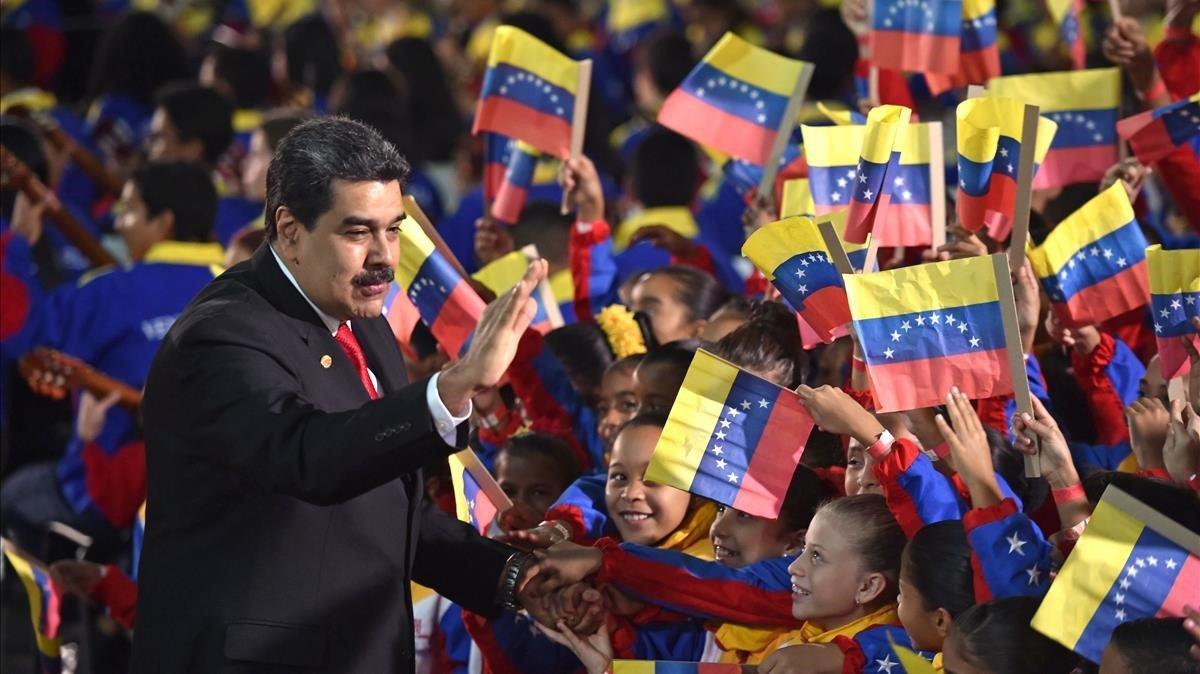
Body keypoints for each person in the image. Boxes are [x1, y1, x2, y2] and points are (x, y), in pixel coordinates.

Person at [130, 117, 548, 673]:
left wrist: (514, 576)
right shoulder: (221, 335)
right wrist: (451, 385)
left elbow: (386, 507)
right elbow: (312, 458)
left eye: (392, 229)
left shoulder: (359, 317)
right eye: (357, 232)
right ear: (290, 230)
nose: (384, 257)